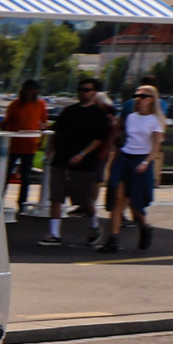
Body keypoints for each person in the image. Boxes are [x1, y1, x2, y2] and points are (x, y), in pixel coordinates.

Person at [37, 79, 115, 249]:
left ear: (94, 93)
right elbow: (56, 131)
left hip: (84, 164)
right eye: (80, 89)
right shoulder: (68, 111)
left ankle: (95, 224)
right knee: (56, 197)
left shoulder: (98, 115)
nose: (83, 92)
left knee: (84, 200)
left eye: (87, 90)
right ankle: (54, 234)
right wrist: (50, 150)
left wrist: (82, 154)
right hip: (61, 160)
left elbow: (98, 139)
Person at [99, 84, 163, 253]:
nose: (139, 99)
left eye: (143, 96)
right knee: (118, 198)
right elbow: (124, 136)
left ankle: (145, 225)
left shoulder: (155, 121)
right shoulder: (131, 117)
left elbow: (156, 146)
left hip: (141, 159)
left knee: (135, 201)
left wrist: (146, 162)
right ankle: (112, 239)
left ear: (152, 100)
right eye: (137, 95)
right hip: (125, 157)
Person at [1, 80, 47, 215]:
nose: (29, 92)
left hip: (30, 145)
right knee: (5, 174)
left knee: (26, 177)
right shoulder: (15, 104)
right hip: (13, 145)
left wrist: (41, 142)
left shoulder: (40, 105)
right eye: (27, 89)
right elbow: (6, 123)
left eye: (32, 89)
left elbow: (43, 123)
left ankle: (22, 203)